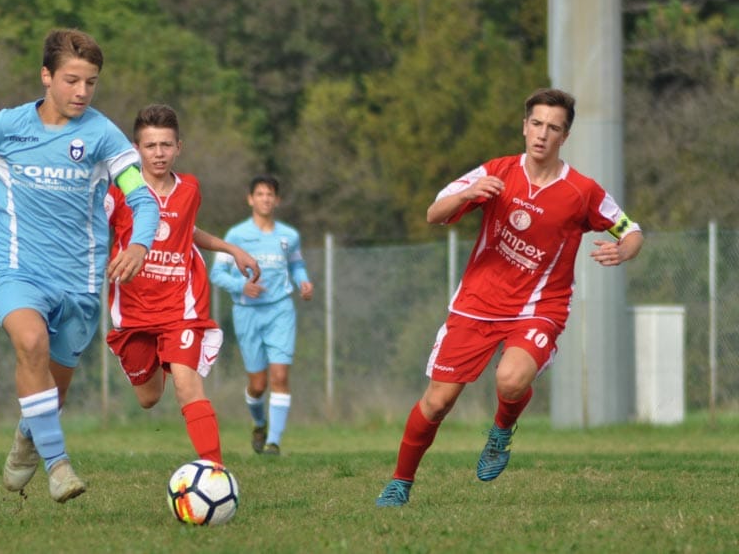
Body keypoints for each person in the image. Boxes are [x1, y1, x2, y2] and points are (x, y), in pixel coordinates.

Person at [0, 28, 159, 504]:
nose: (82, 92)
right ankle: (59, 466)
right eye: (72, 80)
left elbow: (141, 197)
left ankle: (28, 435)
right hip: (16, 269)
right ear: (46, 76)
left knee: (52, 396)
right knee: (31, 342)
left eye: (91, 82)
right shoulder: (6, 127)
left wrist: (140, 244)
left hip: (80, 282)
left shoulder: (103, 136)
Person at [375, 87, 645, 507]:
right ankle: (400, 482)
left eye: (553, 127)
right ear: (524, 127)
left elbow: (631, 230)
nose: (542, 134)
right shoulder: (496, 171)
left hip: (539, 308)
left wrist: (625, 250)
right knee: (437, 402)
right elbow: (433, 213)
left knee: (511, 378)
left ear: (565, 136)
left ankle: (501, 431)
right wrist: (466, 195)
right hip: (476, 304)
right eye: (536, 124)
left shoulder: (582, 191)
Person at [104, 103, 260, 464]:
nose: (159, 153)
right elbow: (93, 231)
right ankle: (161, 356)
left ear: (179, 147)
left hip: (181, 306)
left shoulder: (190, 188)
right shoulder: (120, 192)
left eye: (166, 145)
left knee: (188, 385)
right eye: (150, 145)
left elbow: (188, 231)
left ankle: (216, 473)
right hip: (133, 310)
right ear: (136, 149)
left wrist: (231, 249)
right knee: (148, 398)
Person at [210, 175, 314, 456]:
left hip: (280, 311)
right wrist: (241, 286)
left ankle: (273, 443)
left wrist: (304, 282)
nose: (265, 199)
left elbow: (297, 266)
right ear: (250, 199)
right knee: (258, 385)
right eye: (260, 194)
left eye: (270, 194)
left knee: (280, 376)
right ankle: (259, 424)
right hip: (247, 314)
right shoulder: (236, 236)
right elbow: (217, 274)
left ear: (277, 200)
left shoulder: (289, 236)